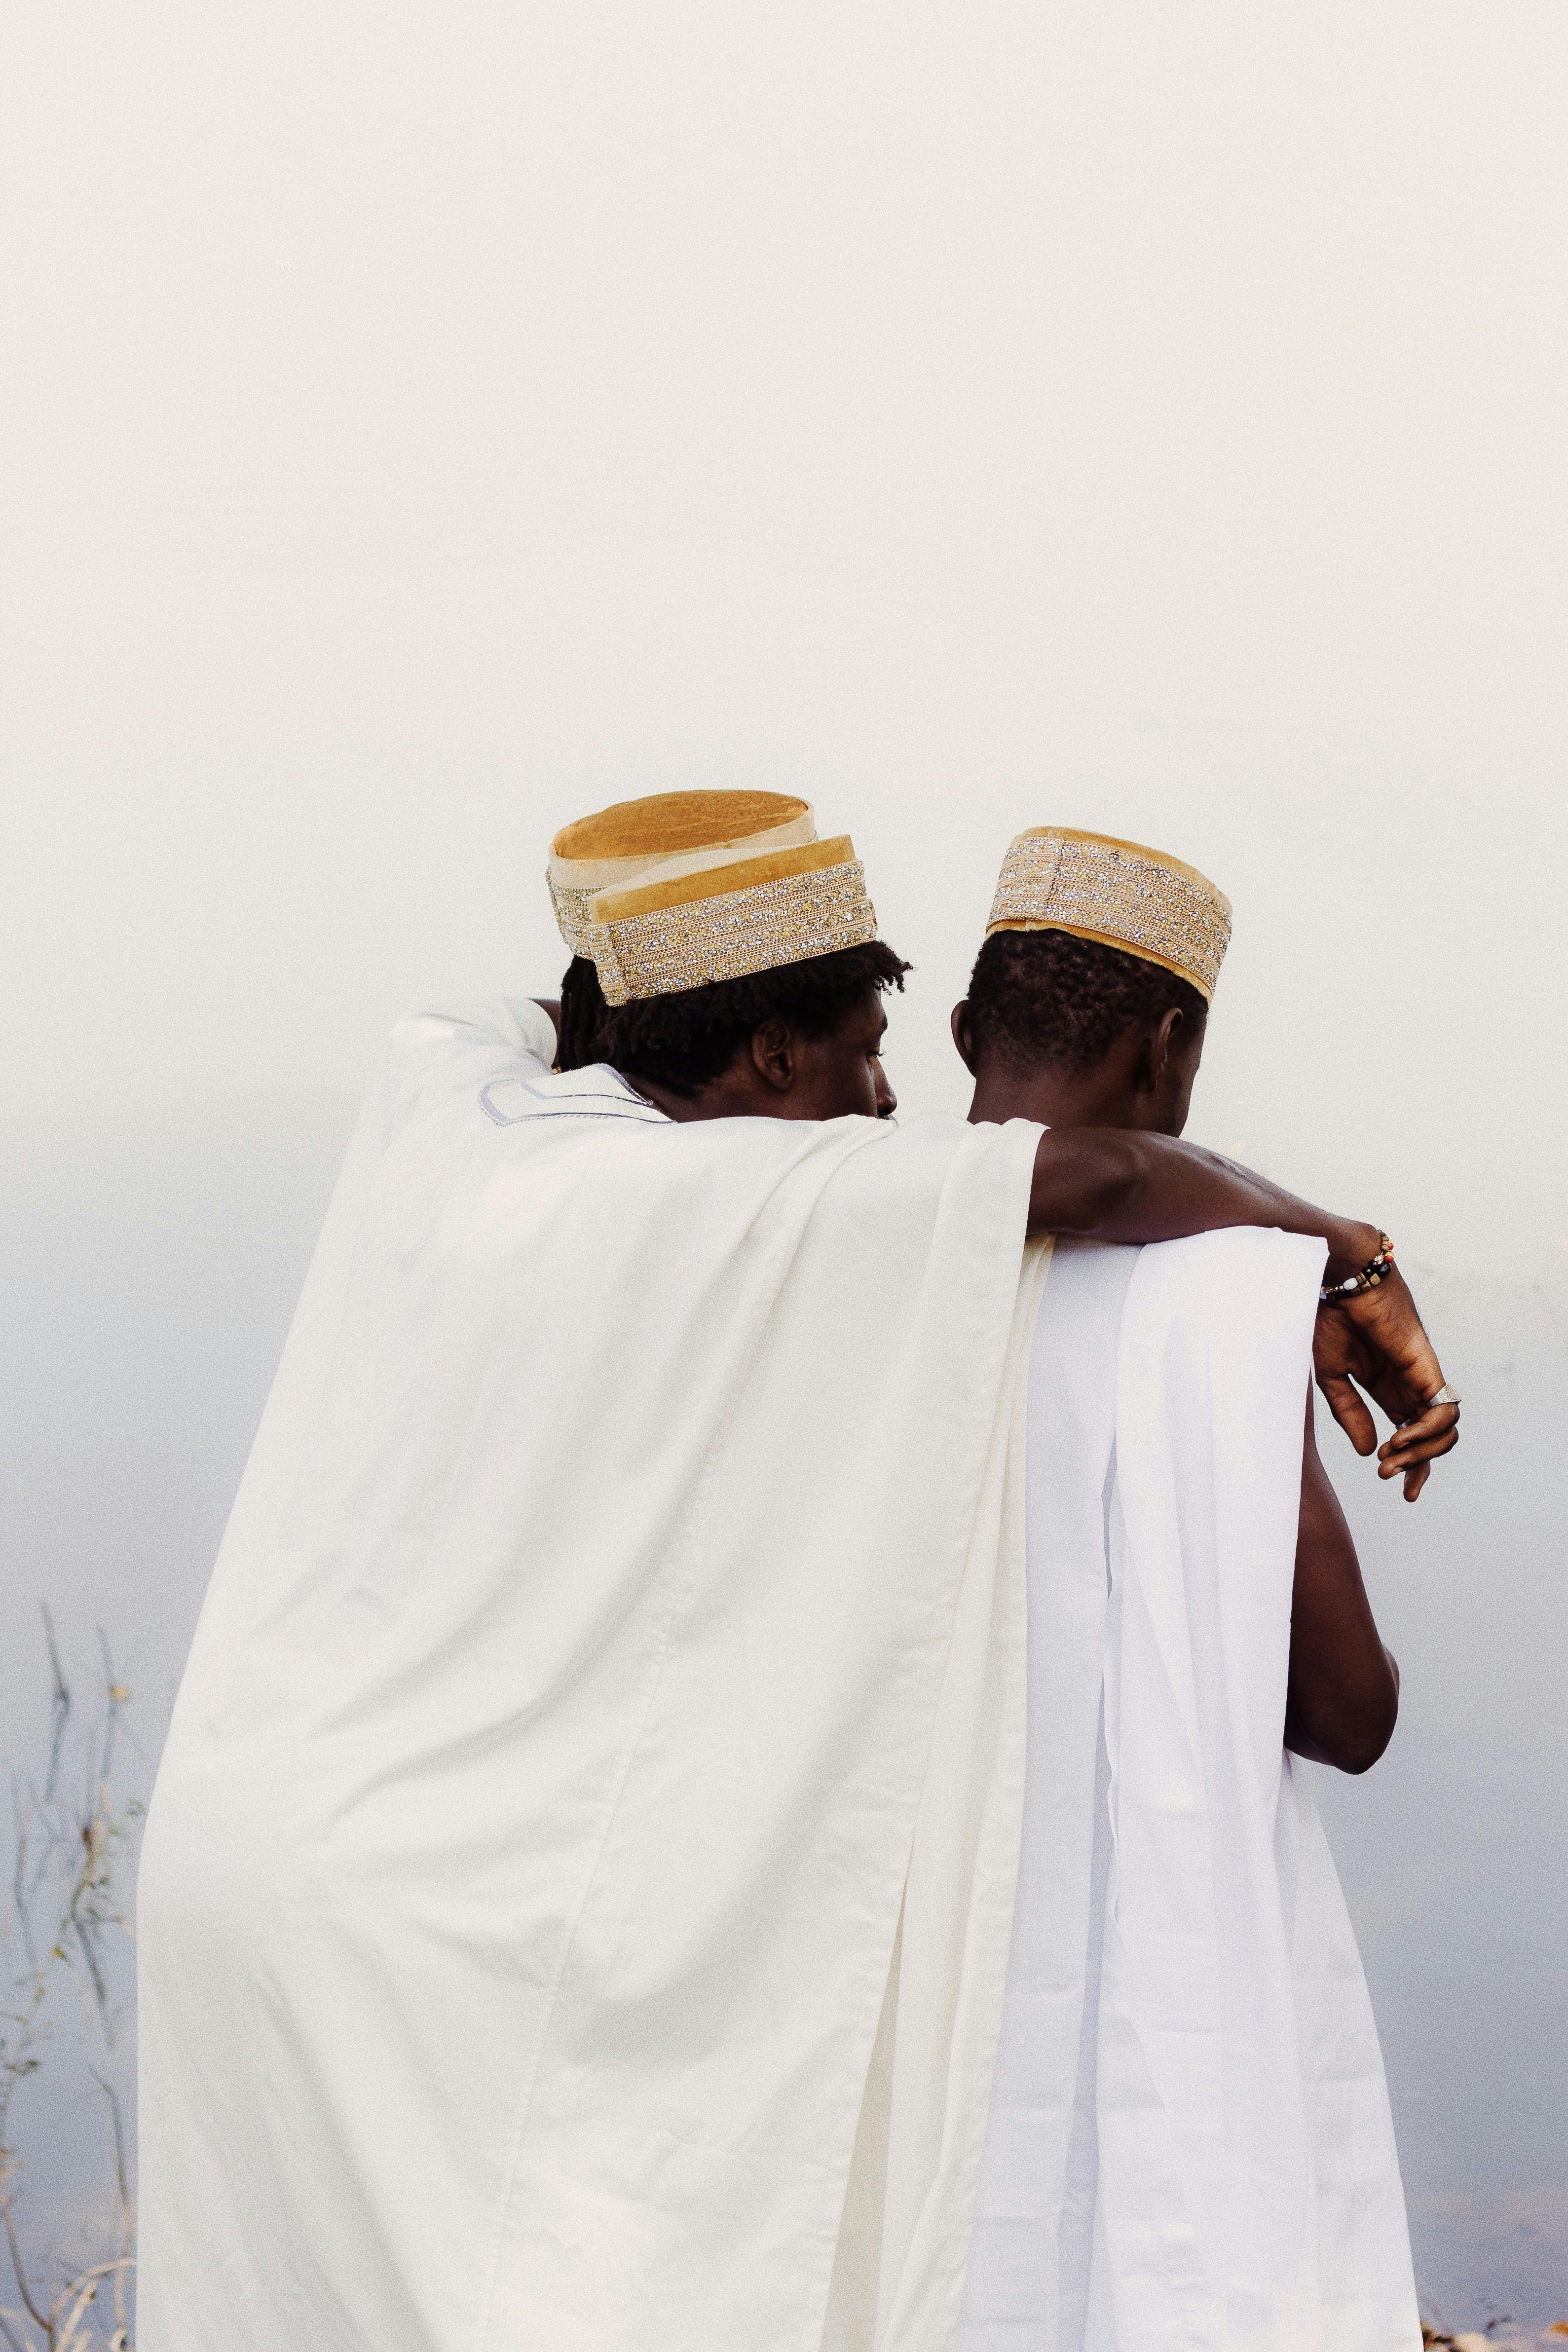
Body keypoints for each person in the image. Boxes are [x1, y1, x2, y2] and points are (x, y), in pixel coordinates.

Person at [136, 796, 1456, 2352]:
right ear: (1172, 1044)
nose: (882, 1100)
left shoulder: (466, 1100)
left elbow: (565, 1007)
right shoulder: (781, 1213)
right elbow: (1343, 1701)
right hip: (457, 1929)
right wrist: (1324, 1257)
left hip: (260, 1849)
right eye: (853, 1052)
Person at [946, 826, 1443, 2350]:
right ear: (1170, 1047)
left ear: (965, 1037)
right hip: (1148, 1981)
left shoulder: (839, 1232)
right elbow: (1347, 1714)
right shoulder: (1210, 1306)